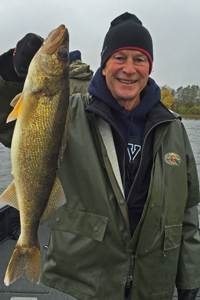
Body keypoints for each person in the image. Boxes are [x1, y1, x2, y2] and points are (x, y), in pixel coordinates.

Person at [0, 12, 200, 300]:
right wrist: (9, 72)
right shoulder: (69, 112)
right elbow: (7, 129)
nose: (129, 69)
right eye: (119, 58)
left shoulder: (175, 129)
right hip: (86, 285)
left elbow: (188, 215)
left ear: (149, 67)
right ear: (105, 65)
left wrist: (190, 280)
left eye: (139, 59)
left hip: (154, 287)